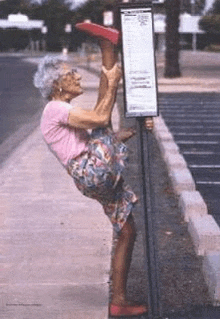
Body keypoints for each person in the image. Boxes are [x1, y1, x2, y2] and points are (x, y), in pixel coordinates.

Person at [34, 22, 152, 317]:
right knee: (104, 114)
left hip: (92, 173)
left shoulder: (62, 112)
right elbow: (100, 117)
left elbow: (103, 135)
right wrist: (113, 81)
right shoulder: (55, 108)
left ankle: (119, 301)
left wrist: (135, 128)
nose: (76, 76)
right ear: (57, 86)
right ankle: (106, 47)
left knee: (128, 231)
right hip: (92, 171)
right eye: (70, 74)